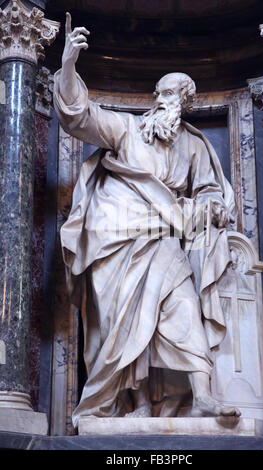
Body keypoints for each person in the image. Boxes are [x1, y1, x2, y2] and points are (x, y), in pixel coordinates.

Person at [54, 12, 241, 427]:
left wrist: (208, 207)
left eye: (169, 95)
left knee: (182, 305)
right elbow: (79, 115)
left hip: (163, 239)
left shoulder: (194, 146)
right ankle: (133, 401)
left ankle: (204, 395)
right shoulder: (126, 130)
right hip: (115, 243)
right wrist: (68, 65)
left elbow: (212, 192)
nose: (160, 101)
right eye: (158, 93)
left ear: (184, 104)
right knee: (122, 325)